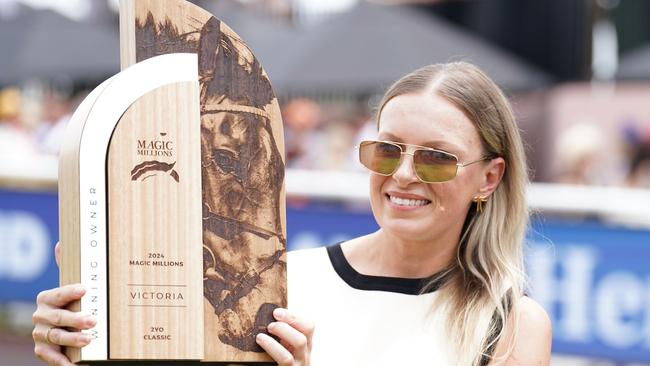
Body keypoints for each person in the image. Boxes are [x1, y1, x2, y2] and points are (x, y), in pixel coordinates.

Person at [32, 62, 551, 366]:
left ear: (489, 177)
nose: (404, 175)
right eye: (386, 150)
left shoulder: (510, 326)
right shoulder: (281, 281)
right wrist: (82, 341)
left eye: (436, 157)